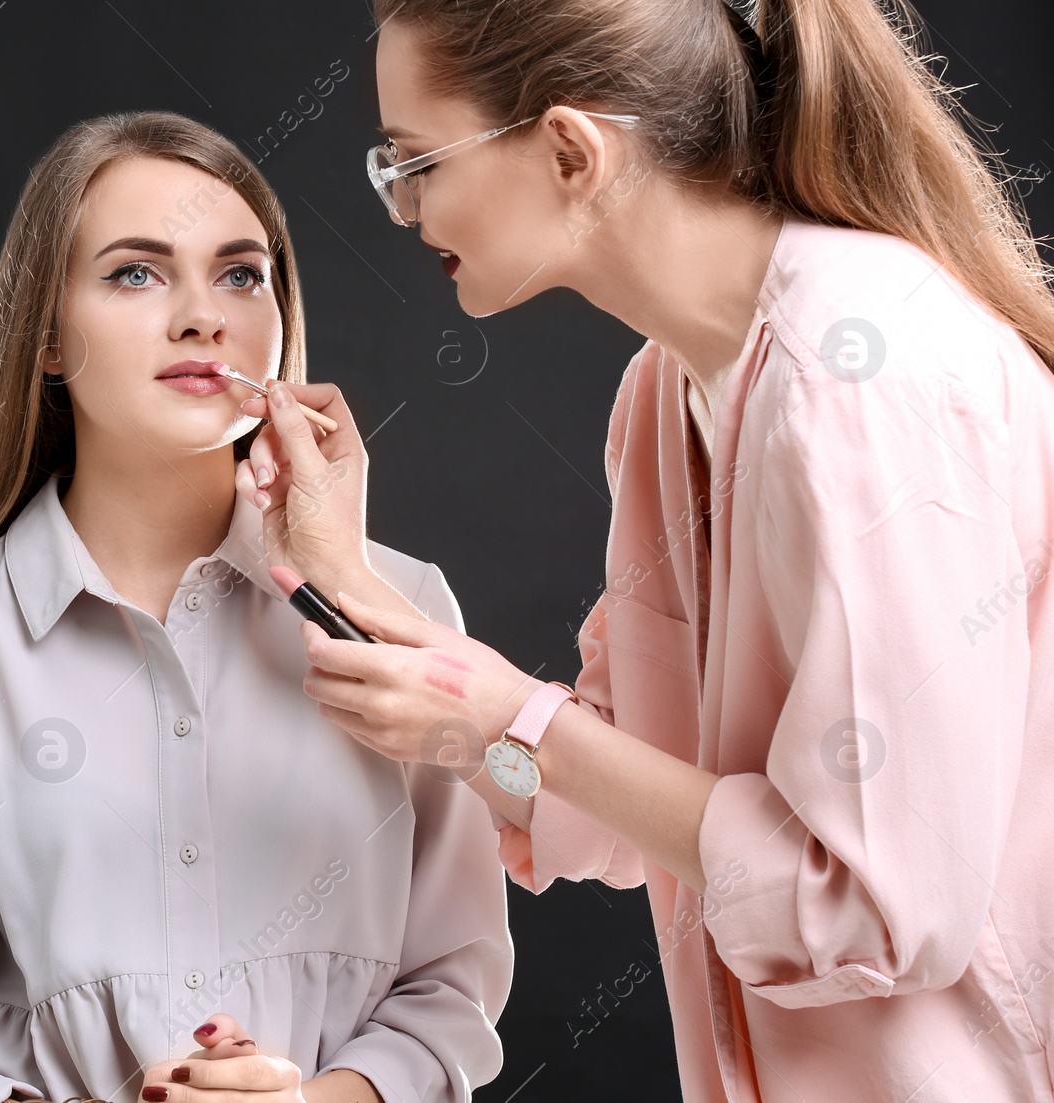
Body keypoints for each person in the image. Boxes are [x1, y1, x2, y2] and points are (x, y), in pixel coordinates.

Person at [228, 1, 1054, 1100]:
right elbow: (608, 793)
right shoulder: (665, 395)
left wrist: (515, 722)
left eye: (419, 162)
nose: (404, 206)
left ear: (573, 150)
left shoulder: (864, 382)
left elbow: (873, 907)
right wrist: (350, 585)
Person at [0, 110, 513, 1103]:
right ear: (48, 337)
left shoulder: (399, 604)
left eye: (239, 273)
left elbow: (451, 990)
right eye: (136, 272)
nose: (201, 315)